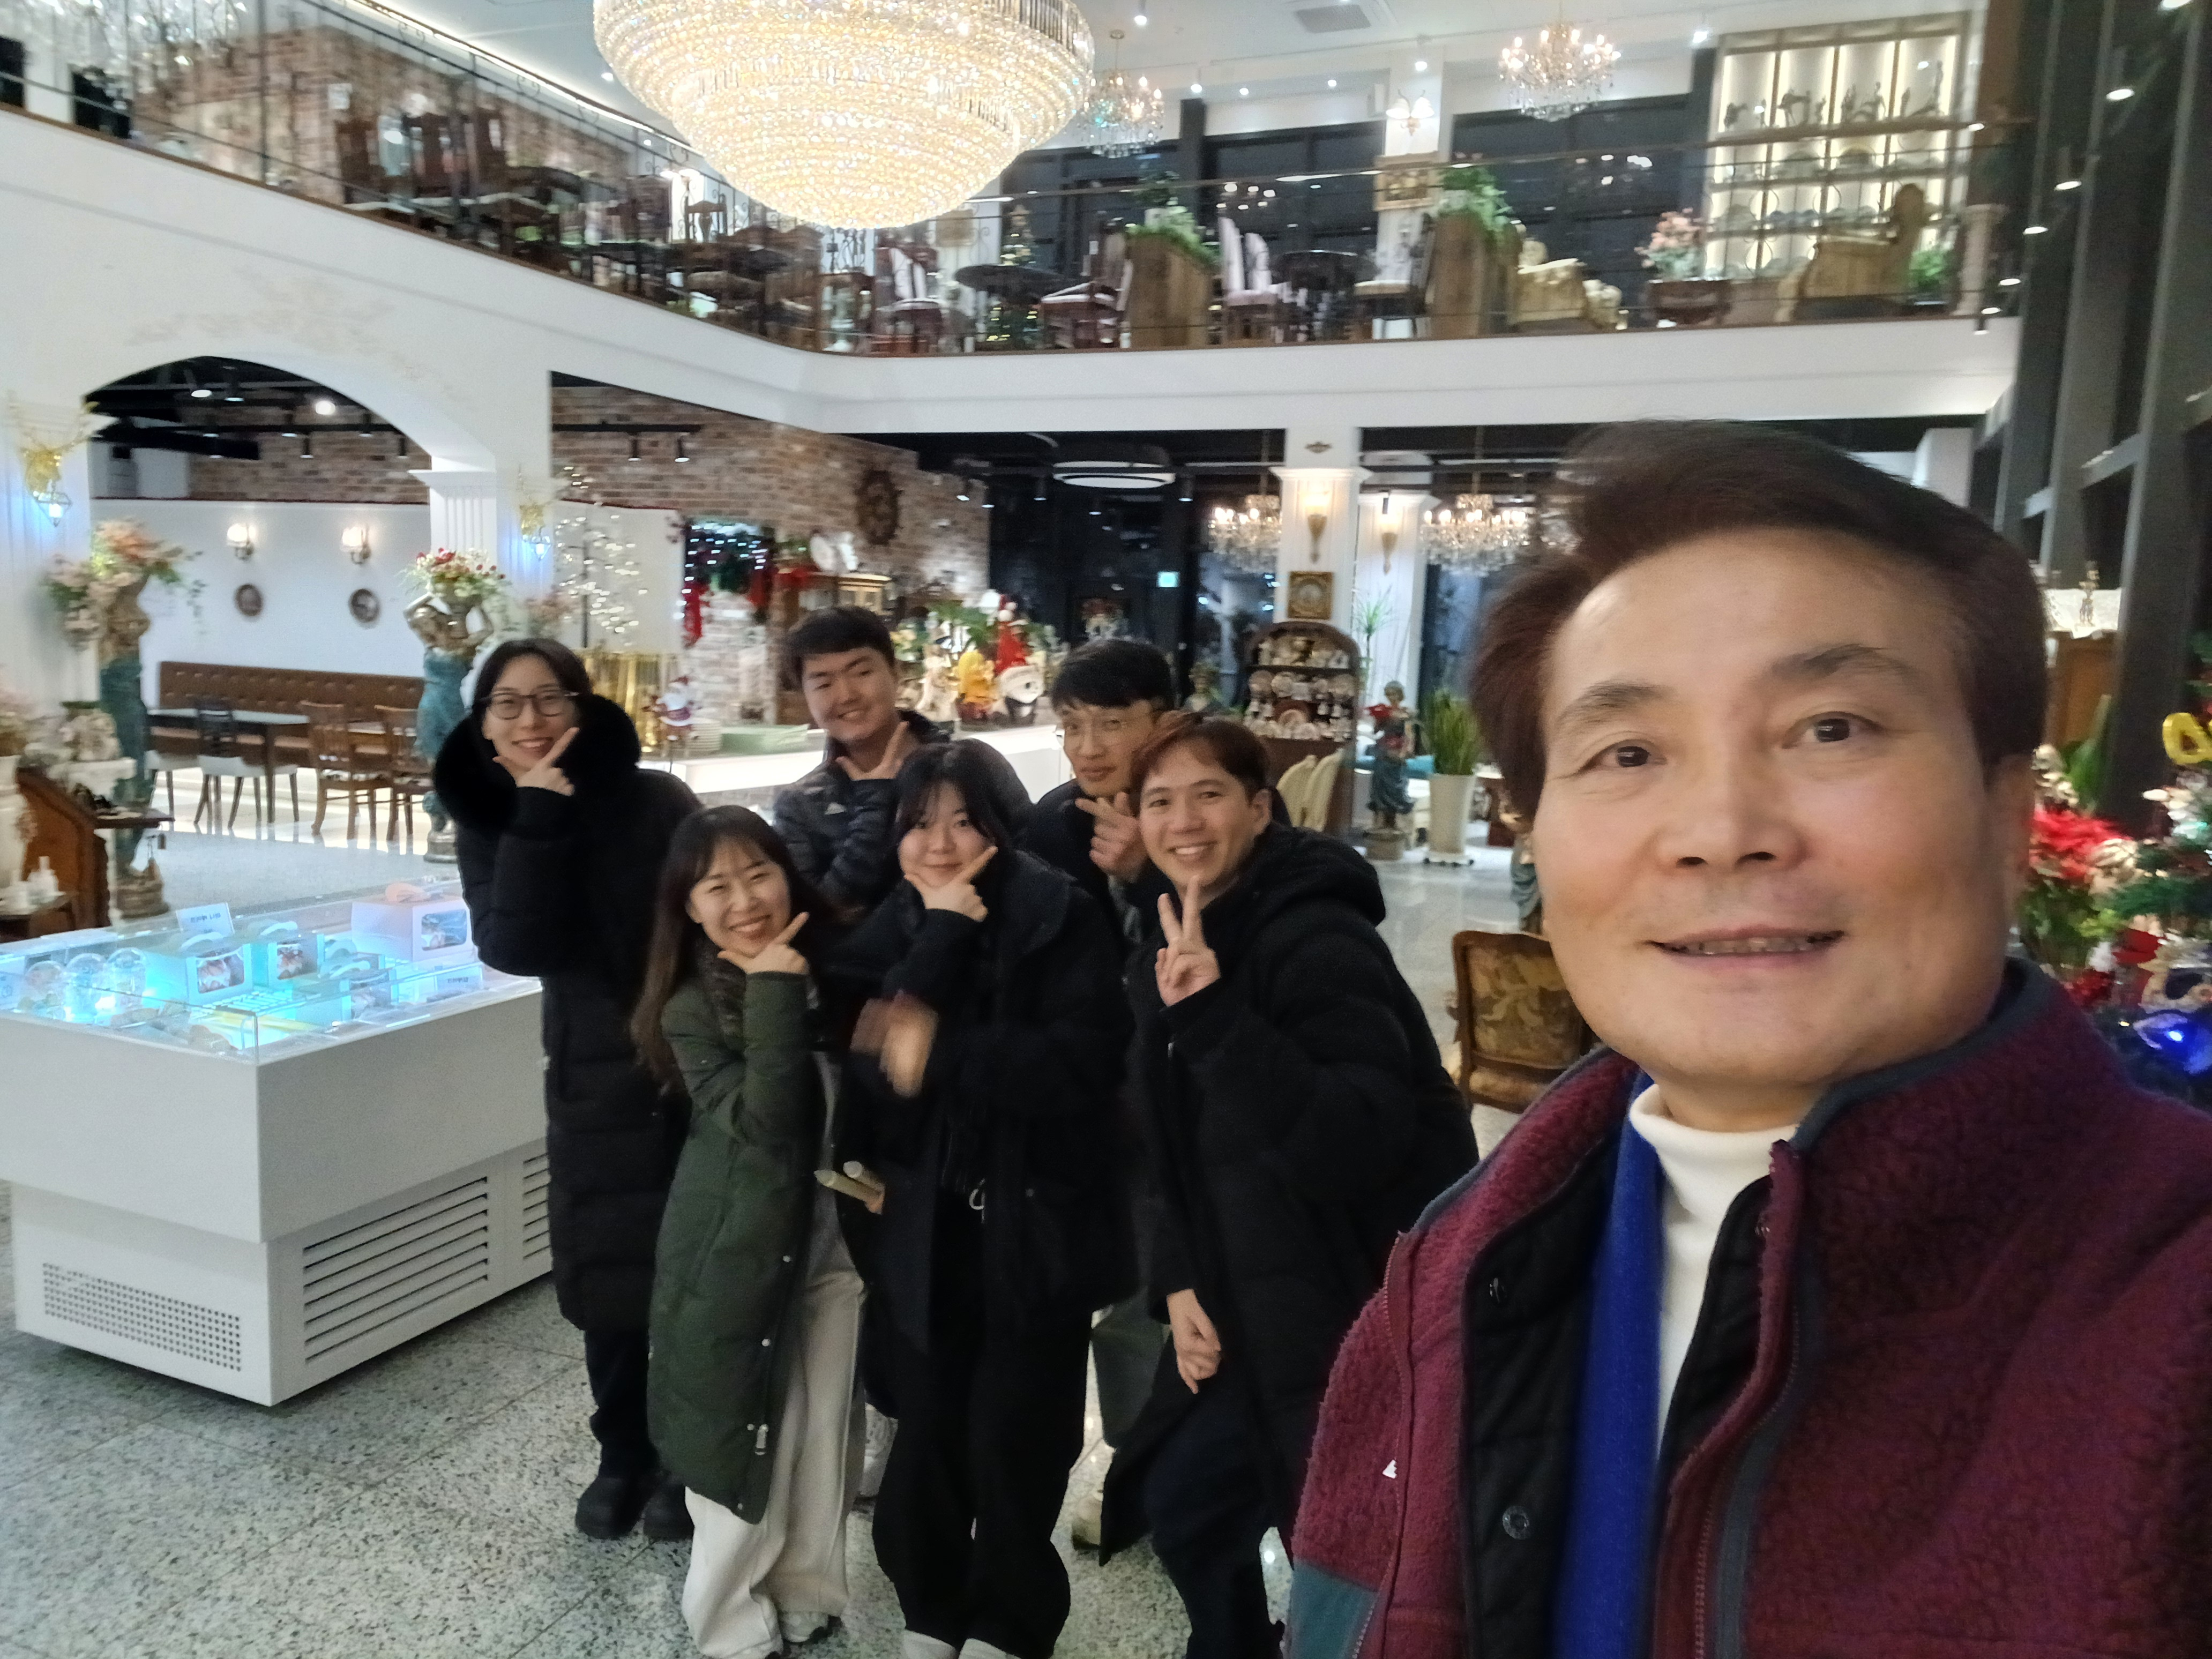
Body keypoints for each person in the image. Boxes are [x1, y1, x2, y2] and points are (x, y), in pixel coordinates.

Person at [1288, 422, 2212, 1657]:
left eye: (1830, 728)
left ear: (2006, 817)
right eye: (1627, 752)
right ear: (1538, 843)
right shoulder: (1447, 1286)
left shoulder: (2170, 1315)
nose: (1721, 830)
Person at [1098, 714, 1475, 1659]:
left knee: (1344, 1552)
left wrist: (1215, 1016)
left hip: (1346, 1296)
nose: (1184, 820)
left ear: (1261, 810)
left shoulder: (1318, 937)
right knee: (1185, 1503)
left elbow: (1357, 1141)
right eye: (1160, 801)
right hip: (1242, 1284)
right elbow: (1169, 1145)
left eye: (1210, 794)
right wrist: (1179, 1279)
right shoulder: (1171, 940)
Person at [832, 741, 1134, 1659]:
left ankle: (1012, 1619)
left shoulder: (1061, 915)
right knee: (928, 1429)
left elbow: (1082, 1068)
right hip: (923, 1229)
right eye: (919, 822)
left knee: (1018, 1435)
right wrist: (941, 940)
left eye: (964, 821)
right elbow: (874, 1069)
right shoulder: (891, 926)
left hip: (1033, 1225)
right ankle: (930, 1606)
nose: (939, 843)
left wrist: (943, 1051)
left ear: (1003, 827)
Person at [434, 639, 700, 1541]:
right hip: (590, 1072)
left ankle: (685, 1456)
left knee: (690, 1272)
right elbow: (514, 946)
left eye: (549, 699)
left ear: (581, 709)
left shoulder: (656, 799)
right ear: (484, 724)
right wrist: (539, 817)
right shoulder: (490, 820)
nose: (530, 719)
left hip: (688, 1063)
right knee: (607, 1274)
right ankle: (621, 1452)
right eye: (507, 704)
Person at [631, 807, 866, 1659]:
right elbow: (768, 1122)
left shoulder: (837, 967)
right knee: (743, 1437)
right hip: (739, 1251)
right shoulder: (692, 1007)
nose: (744, 900)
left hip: (837, 1246)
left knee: (822, 1433)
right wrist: (772, 989)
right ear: (689, 909)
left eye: (758, 874)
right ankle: (729, 1623)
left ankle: (806, 1595)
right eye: (716, 886)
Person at [1017, 639, 1177, 1547]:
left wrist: (1146, 874)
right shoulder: (1049, 826)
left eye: (1110, 723)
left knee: (1162, 1288)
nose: (1087, 745)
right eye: (1071, 725)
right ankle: (1121, 1460)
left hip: (1181, 1095)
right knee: (1101, 1280)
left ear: (1163, 720)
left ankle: (1155, 1464)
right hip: (1084, 1099)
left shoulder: (1199, 808)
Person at [775, 605, 947, 920]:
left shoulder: (966, 766)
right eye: (823, 684)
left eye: (862, 673)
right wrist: (875, 806)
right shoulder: (801, 806)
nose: (846, 695)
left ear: (895, 672)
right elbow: (816, 917)